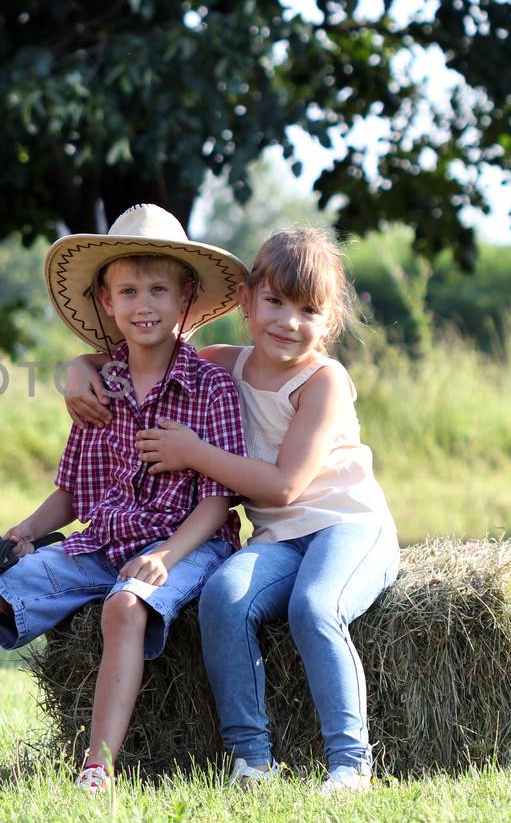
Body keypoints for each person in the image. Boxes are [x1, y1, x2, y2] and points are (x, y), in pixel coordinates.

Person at [63, 227, 398, 793]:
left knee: (315, 607)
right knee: (222, 597)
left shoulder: (325, 381)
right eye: (274, 302)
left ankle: (349, 764)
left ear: (329, 320)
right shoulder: (226, 363)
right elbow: (136, 353)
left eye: (307, 310)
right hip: (279, 542)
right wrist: (74, 368)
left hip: (347, 526)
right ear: (246, 302)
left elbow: (285, 488)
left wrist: (196, 453)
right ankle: (252, 759)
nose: (288, 322)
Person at [0, 204, 248, 796]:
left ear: (185, 296)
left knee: (124, 608)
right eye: (128, 291)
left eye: (157, 289)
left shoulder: (210, 386)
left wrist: (165, 556)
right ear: (106, 300)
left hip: (187, 542)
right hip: (103, 543)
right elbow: (73, 494)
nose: (143, 304)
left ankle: (98, 767)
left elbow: (219, 504)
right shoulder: (99, 386)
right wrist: (21, 532)